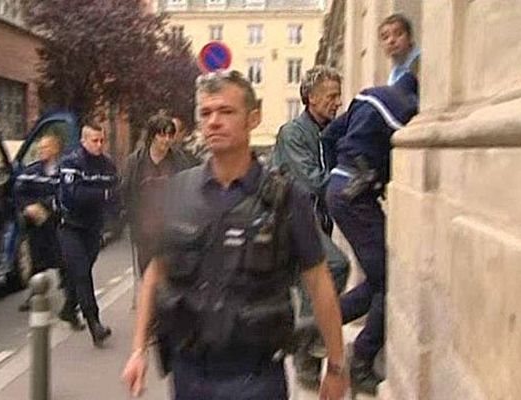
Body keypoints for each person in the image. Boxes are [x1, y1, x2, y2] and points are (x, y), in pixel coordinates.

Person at [122, 70, 348, 400]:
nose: (214, 121)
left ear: (252, 118)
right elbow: (154, 274)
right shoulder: (177, 192)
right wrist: (138, 350)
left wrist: (337, 364)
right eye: (206, 113)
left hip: (256, 378)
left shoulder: (286, 198)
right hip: (189, 375)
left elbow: (319, 282)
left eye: (226, 112)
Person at [325, 73, 419, 395]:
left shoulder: (366, 96)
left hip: (339, 187)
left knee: (379, 279)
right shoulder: (406, 106)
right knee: (388, 281)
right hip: (356, 194)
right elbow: (407, 151)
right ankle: (361, 359)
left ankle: (321, 325)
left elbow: (329, 134)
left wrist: (339, 167)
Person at [271, 65, 349, 389]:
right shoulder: (292, 133)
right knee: (334, 265)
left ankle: (308, 355)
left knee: (313, 282)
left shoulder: (332, 130)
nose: (336, 102)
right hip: (294, 216)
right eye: (331, 96)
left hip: (319, 218)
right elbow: (313, 180)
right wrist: (348, 177)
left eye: (338, 96)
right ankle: (305, 347)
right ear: (311, 98)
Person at [13, 135, 84, 329]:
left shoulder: (64, 171)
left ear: (55, 149)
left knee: (67, 268)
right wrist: (28, 207)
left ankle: (71, 310)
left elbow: (68, 195)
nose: (41, 150)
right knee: (37, 263)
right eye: (40, 147)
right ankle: (35, 296)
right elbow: (19, 192)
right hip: (38, 227)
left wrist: (46, 206)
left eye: (45, 147)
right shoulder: (32, 171)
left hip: (58, 226)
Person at [58, 124, 118, 346]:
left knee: (80, 273)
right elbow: (72, 196)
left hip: (93, 227)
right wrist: (103, 194)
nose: (100, 145)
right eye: (95, 141)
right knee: (82, 272)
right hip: (71, 227)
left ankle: (67, 309)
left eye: (102, 140)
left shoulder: (107, 165)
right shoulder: (72, 163)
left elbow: (116, 194)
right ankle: (94, 323)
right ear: (83, 141)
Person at [121, 114, 198, 277]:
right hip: (145, 232)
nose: (166, 140)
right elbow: (126, 193)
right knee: (147, 277)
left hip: (172, 231)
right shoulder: (135, 162)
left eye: (170, 135)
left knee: (170, 278)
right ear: (152, 136)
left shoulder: (180, 161)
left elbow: (187, 190)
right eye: (162, 134)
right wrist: (130, 220)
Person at [379, 13, 421, 85]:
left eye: (398, 34)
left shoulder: (422, 62)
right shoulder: (395, 73)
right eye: (385, 37)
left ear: (410, 37)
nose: (391, 40)